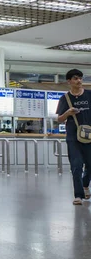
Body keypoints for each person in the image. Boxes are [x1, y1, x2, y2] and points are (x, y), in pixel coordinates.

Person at [56, 68, 91, 205]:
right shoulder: (65, 99)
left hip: (89, 136)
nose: (79, 81)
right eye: (76, 78)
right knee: (76, 165)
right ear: (69, 81)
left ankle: (85, 184)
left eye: (80, 78)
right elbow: (59, 119)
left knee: (90, 164)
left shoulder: (89, 95)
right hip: (73, 136)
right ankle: (78, 195)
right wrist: (68, 113)